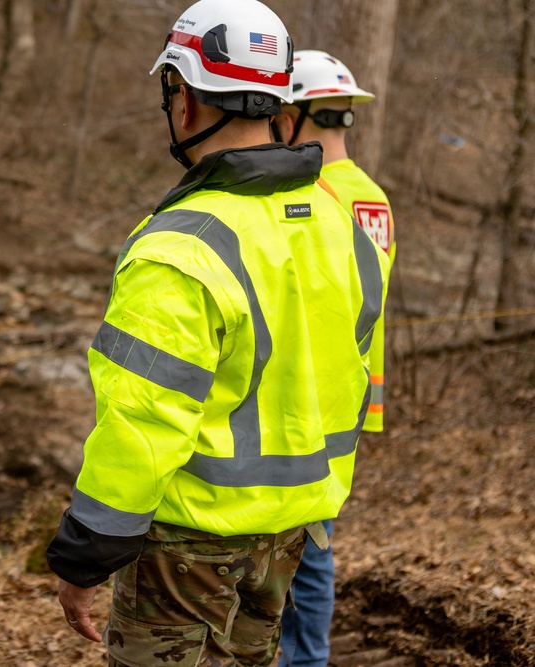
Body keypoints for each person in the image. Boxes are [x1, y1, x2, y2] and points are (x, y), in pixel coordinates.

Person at [44, 1, 391, 664]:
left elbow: (142, 424)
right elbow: (348, 369)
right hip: (290, 530)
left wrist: (84, 554)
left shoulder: (179, 246)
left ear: (186, 101)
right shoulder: (340, 222)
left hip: (186, 547)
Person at [272, 50, 397, 667]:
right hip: (349, 395)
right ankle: (308, 657)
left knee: (299, 543)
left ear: (296, 114)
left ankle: (298, 657)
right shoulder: (371, 197)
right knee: (315, 533)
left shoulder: (311, 193)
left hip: (304, 393)